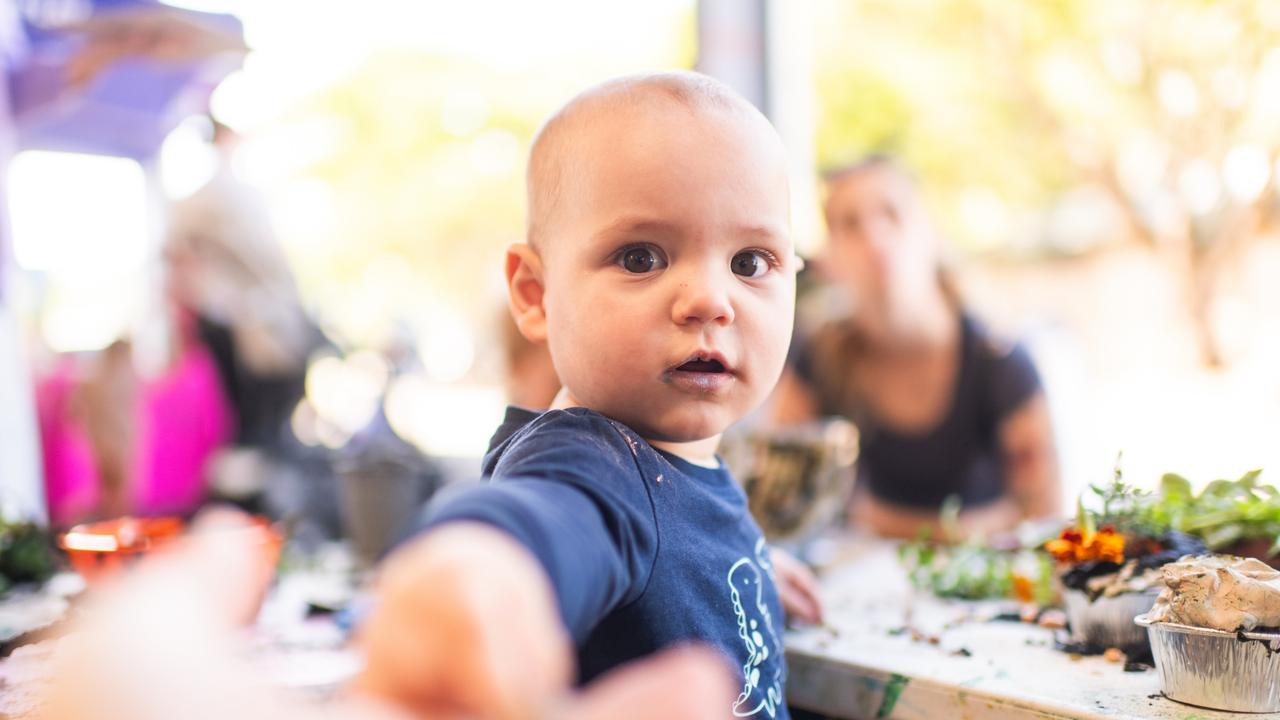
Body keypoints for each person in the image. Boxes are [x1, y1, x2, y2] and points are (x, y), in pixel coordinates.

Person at [399, 70, 822, 720]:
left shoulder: (667, 460)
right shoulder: (589, 464)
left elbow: (663, 546)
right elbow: (546, 521)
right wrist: (480, 568)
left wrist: (746, 568)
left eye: (750, 262)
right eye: (641, 258)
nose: (711, 299)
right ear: (536, 295)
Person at [773, 155, 1060, 539]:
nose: (875, 238)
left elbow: (1043, 515)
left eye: (891, 213)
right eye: (850, 224)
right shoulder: (819, 356)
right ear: (828, 258)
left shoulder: (1000, 358)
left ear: (932, 232)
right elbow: (781, 498)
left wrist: (880, 521)